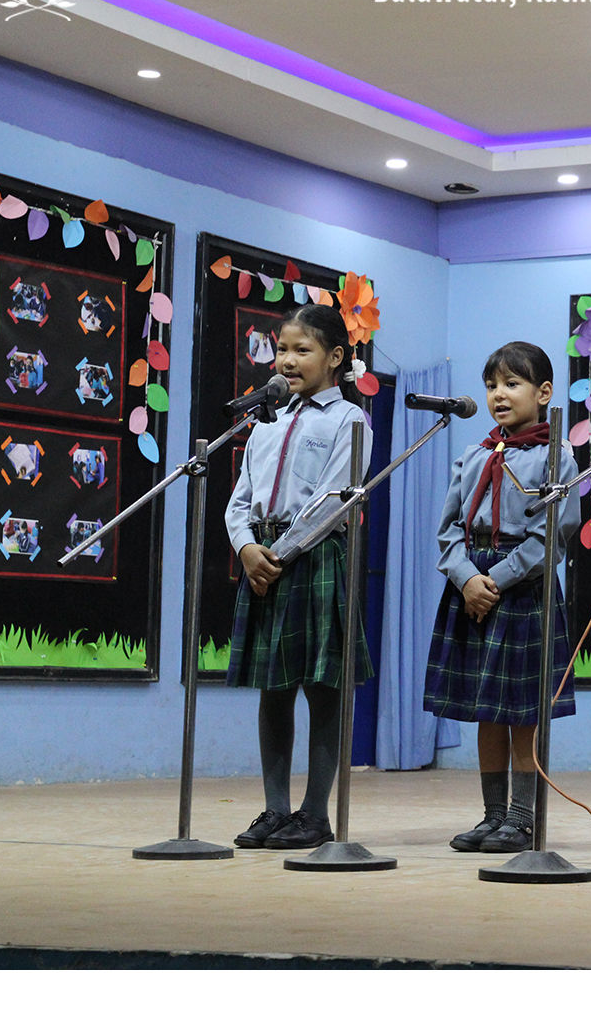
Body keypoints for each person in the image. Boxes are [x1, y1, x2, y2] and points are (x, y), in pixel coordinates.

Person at [224, 303, 373, 850]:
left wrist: (279, 554)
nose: (287, 360)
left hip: (311, 560)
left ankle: (314, 814)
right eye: (282, 349)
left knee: (323, 688)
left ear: (334, 357)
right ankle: (275, 809)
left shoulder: (348, 420)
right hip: (262, 560)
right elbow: (240, 499)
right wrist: (246, 547)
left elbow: (333, 501)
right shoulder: (265, 420)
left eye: (301, 350)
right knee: (274, 687)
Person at [425, 342, 580, 854]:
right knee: (487, 708)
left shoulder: (556, 458)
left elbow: (552, 536)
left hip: (521, 590)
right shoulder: (473, 457)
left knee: (523, 712)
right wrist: (467, 578)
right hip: (472, 588)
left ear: (544, 392)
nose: (499, 395)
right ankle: (493, 816)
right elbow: (449, 529)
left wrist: (496, 579)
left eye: (512, 384)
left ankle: (522, 818)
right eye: (492, 385)